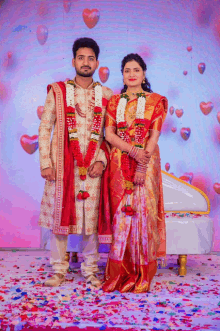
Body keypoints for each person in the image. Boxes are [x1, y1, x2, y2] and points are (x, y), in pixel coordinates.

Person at [38, 37, 113, 287]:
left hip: (92, 167)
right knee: (60, 217)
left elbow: (109, 135)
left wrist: (101, 161)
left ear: (97, 63)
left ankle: (90, 269)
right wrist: (46, 163)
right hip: (62, 166)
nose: (85, 62)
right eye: (81, 57)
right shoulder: (58, 92)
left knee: (90, 220)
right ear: (73, 61)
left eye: (90, 58)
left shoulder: (107, 95)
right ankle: (59, 269)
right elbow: (45, 126)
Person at [102, 53, 168, 293]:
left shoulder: (155, 101)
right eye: (127, 70)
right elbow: (109, 135)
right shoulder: (114, 102)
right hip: (119, 164)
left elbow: (153, 136)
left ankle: (142, 274)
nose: (131, 74)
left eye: (136, 70)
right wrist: (131, 151)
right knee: (121, 218)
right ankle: (120, 273)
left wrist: (141, 163)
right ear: (123, 74)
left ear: (143, 73)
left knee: (143, 216)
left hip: (146, 163)